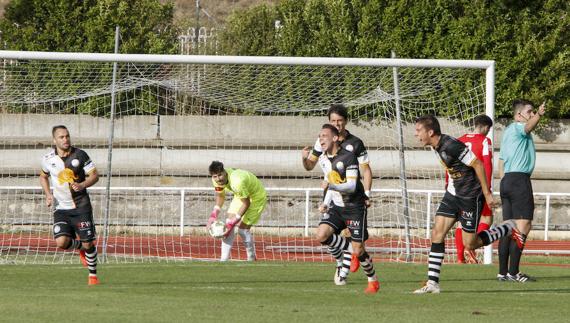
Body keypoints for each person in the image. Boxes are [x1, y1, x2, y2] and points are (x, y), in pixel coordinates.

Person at [412, 116, 522, 294]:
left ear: (430, 132)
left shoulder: (451, 145)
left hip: (471, 197)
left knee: (470, 244)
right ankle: (432, 284)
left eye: (418, 131)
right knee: (437, 233)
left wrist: (487, 194)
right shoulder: (436, 146)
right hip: (453, 194)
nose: (416, 135)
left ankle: (506, 229)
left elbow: (477, 164)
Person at [301, 104, 372, 283]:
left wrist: (368, 193)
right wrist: (304, 158)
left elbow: (366, 170)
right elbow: (310, 166)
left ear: (346, 121)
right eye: (333, 121)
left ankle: (347, 270)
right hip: (331, 195)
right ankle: (341, 262)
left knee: (351, 237)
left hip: (352, 197)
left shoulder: (355, 143)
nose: (337, 124)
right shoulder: (323, 141)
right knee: (323, 234)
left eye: (340, 121)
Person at [315, 124, 379, 294]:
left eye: (324, 136)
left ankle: (372, 279)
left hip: (354, 206)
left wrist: (331, 186)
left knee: (359, 250)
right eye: (319, 136)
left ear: (335, 138)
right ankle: (348, 252)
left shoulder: (349, 157)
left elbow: (350, 187)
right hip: (337, 206)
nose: (320, 139)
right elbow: (331, 182)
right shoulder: (323, 159)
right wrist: (326, 203)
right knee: (321, 234)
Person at [39, 125, 100, 285]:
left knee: (89, 243)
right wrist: (48, 194)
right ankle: (80, 247)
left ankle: (93, 276)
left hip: (81, 207)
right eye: (61, 137)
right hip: (61, 208)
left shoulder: (80, 155)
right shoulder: (48, 158)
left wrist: (83, 185)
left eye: (67, 136)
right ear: (54, 140)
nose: (65, 139)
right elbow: (43, 176)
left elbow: (95, 175)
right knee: (62, 243)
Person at [497, 100, 545, 282]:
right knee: (523, 226)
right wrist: (539, 114)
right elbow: (528, 127)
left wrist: (505, 182)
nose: (532, 114)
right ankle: (514, 272)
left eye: (533, 111)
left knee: (509, 228)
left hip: (507, 181)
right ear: (519, 115)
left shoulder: (508, 132)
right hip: (518, 181)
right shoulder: (518, 127)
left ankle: (502, 273)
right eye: (529, 111)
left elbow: (501, 162)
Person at [451, 115, 494, 264]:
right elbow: (487, 165)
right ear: (484, 127)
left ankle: (459, 258)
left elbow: (450, 164)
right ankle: (472, 246)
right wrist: (487, 189)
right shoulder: (484, 141)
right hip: (477, 186)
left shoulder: (459, 140)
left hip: (459, 187)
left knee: (461, 221)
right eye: (488, 129)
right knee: (487, 218)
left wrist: (449, 184)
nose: (488, 132)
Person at [206, 161, 267, 262]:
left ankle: (251, 259)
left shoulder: (237, 181)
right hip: (241, 196)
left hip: (256, 197)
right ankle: (223, 260)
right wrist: (213, 215)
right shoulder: (216, 180)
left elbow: (246, 203)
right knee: (227, 225)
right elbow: (220, 195)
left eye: (220, 175)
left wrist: (236, 219)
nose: (218, 179)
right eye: (215, 176)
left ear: (224, 172)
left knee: (242, 230)